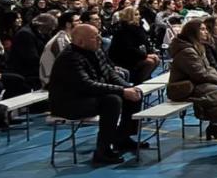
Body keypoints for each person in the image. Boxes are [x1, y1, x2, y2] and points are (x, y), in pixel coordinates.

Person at [48, 24, 143, 165]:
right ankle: (102, 151)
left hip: (88, 97)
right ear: (80, 42)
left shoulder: (96, 50)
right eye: (94, 37)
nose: (100, 39)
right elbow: (87, 85)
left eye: (99, 35)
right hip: (69, 102)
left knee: (133, 94)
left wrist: (127, 87)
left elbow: (110, 72)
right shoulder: (70, 58)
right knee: (112, 101)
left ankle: (122, 138)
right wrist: (122, 91)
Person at [166, 20, 217, 139]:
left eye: (205, 29)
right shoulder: (187, 51)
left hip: (196, 83)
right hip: (183, 87)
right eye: (202, 29)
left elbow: (208, 68)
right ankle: (215, 126)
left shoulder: (197, 47)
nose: (205, 32)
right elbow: (199, 74)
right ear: (193, 32)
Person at [8, 13, 56, 90]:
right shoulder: (25, 34)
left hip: (37, 66)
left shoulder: (40, 33)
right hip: (26, 70)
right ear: (43, 26)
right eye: (50, 29)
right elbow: (31, 58)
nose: (51, 31)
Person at [39, 10, 80, 88]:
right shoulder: (60, 40)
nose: (81, 23)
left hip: (65, 77)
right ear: (68, 24)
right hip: (52, 82)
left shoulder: (71, 38)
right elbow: (66, 65)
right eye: (77, 21)